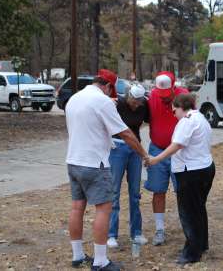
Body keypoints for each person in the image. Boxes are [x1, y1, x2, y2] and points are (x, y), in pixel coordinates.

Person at [65, 69, 148, 271]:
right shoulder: (101, 101)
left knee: (77, 208)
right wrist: (144, 155)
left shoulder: (74, 99)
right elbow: (126, 133)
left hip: (73, 160)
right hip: (95, 163)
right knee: (104, 208)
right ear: (109, 86)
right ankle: (101, 261)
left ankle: (77, 255)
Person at [146, 94, 215, 266]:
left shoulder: (187, 121)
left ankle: (192, 252)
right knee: (198, 208)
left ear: (181, 106)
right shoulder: (201, 118)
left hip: (190, 172)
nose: (173, 113)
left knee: (189, 212)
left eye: (174, 110)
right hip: (205, 168)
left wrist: (155, 159)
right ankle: (201, 244)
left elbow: (177, 145)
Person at [145, 71, 188, 246]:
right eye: (159, 93)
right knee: (158, 191)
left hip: (180, 152)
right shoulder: (152, 96)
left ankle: (189, 229)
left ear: (174, 86)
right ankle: (160, 229)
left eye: (166, 94)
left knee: (183, 192)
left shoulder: (184, 97)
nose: (163, 98)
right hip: (157, 149)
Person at [107, 84, 149, 250]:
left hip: (135, 148)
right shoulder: (118, 104)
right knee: (114, 191)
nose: (136, 104)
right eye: (134, 100)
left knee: (135, 193)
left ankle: (136, 232)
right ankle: (111, 234)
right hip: (117, 147)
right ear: (128, 96)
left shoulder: (143, 106)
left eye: (139, 102)